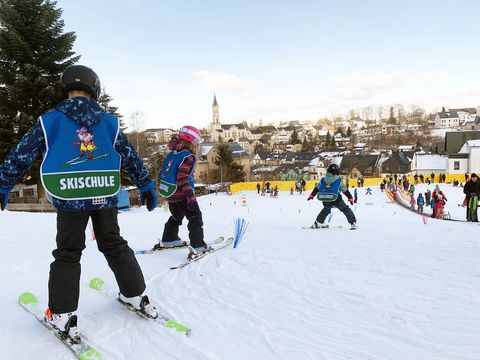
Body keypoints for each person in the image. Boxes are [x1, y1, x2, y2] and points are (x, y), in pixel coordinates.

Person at [0, 65, 158, 339]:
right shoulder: (109, 122)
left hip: (70, 194)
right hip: (103, 193)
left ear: (65, 89)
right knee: (113, 243)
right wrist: (144, 182)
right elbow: (129, 155)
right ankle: (136, 295)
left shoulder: (50, 120)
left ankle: (62, 314)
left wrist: (4, 182)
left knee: (69, 252)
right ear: (94, 89)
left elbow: (21, 153)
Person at [157, 125, 208, 260]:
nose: (196, 145)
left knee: (176, 215)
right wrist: (189, 195)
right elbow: (182, 176)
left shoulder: (173, 153)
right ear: (190, 140)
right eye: (196, 142)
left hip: (170, 193)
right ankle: (198, 246)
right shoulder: (188, 156)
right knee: (195, 217)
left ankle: (170, 238)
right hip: (182, 194)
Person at [307, 164, 357, 229]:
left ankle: (319, 223)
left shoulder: (323, 179)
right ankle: (353, 223)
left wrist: (312, 195)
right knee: (345, 209)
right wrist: (350, 197)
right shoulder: (338, 180)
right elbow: (344, 189)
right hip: (336, 199)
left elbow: (317, 188)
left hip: (325, 198)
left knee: (325, 210)